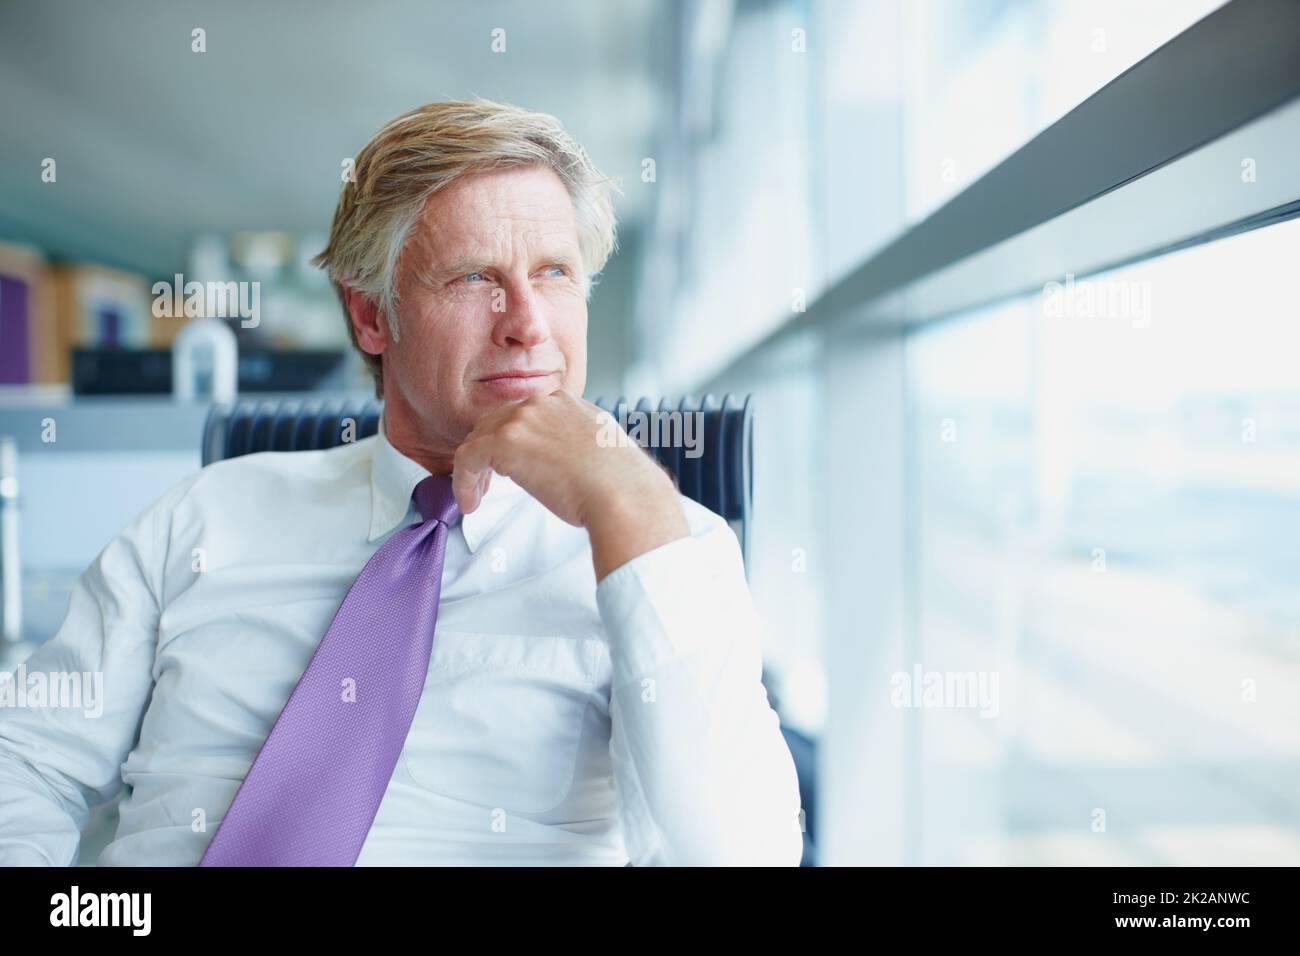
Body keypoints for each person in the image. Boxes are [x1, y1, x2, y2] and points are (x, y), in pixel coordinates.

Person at [0, 97, 803, 866]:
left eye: (555, 272)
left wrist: (627, 500)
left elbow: (733, 858)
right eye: (472, 278)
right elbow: (29, 759)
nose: (527, 322)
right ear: (371, 316)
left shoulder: (665, 547)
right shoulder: (200, 522)